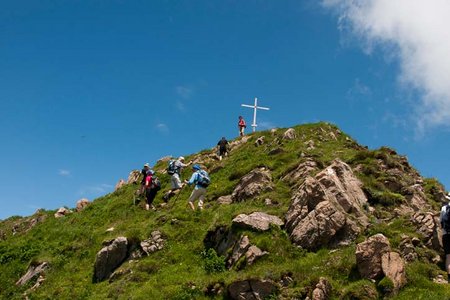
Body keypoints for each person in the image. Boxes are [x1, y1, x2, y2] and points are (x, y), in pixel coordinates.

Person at [440, 192, 450, 282]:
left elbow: (441, 221)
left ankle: (449, 277)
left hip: (446, 234)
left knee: (448, 256)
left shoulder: (444, 208)